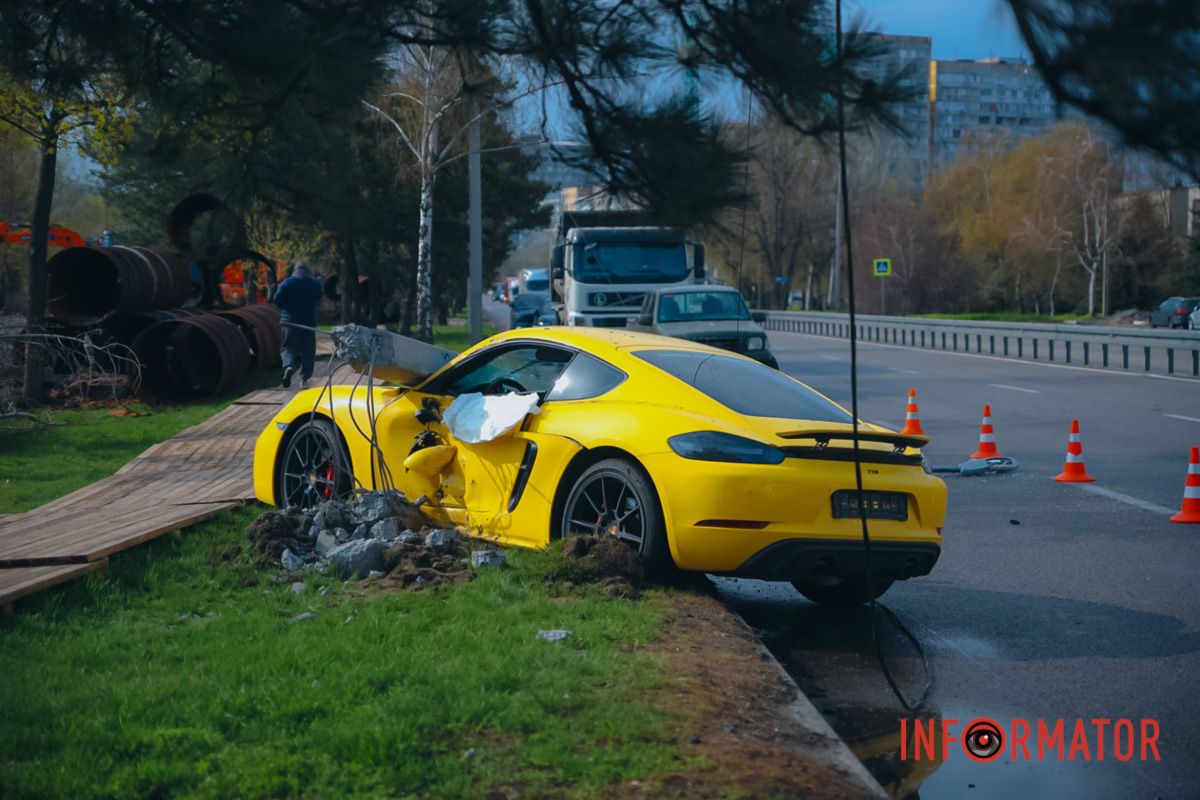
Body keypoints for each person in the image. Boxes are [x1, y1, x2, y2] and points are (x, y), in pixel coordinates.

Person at [272, 261, 323, 388]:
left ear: (295, 270)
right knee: (308, 351)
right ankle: (304, 380)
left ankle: (288, 366)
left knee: (288, 347)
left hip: (289, 322)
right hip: (308, 323)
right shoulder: (314, 284)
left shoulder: (287, 283)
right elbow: (319, 296)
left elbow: (277, 300)